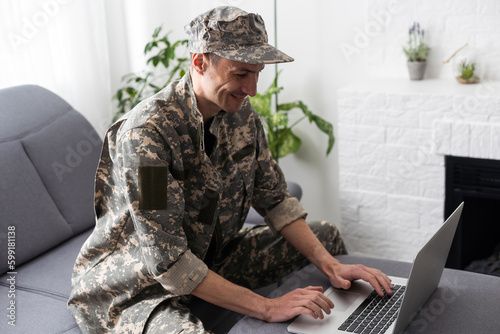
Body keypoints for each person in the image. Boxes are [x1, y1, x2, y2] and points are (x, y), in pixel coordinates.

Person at [68, 6, 393, 334]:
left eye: (257, 73)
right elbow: (168, 262)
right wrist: (267, 307)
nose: (252, 89)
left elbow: (276, 200)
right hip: (139, 288)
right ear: (200, 62)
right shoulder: (147, 134)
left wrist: (333, 266)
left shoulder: (242, 116)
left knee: (327, 236)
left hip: (210, 257)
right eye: (240, 74)